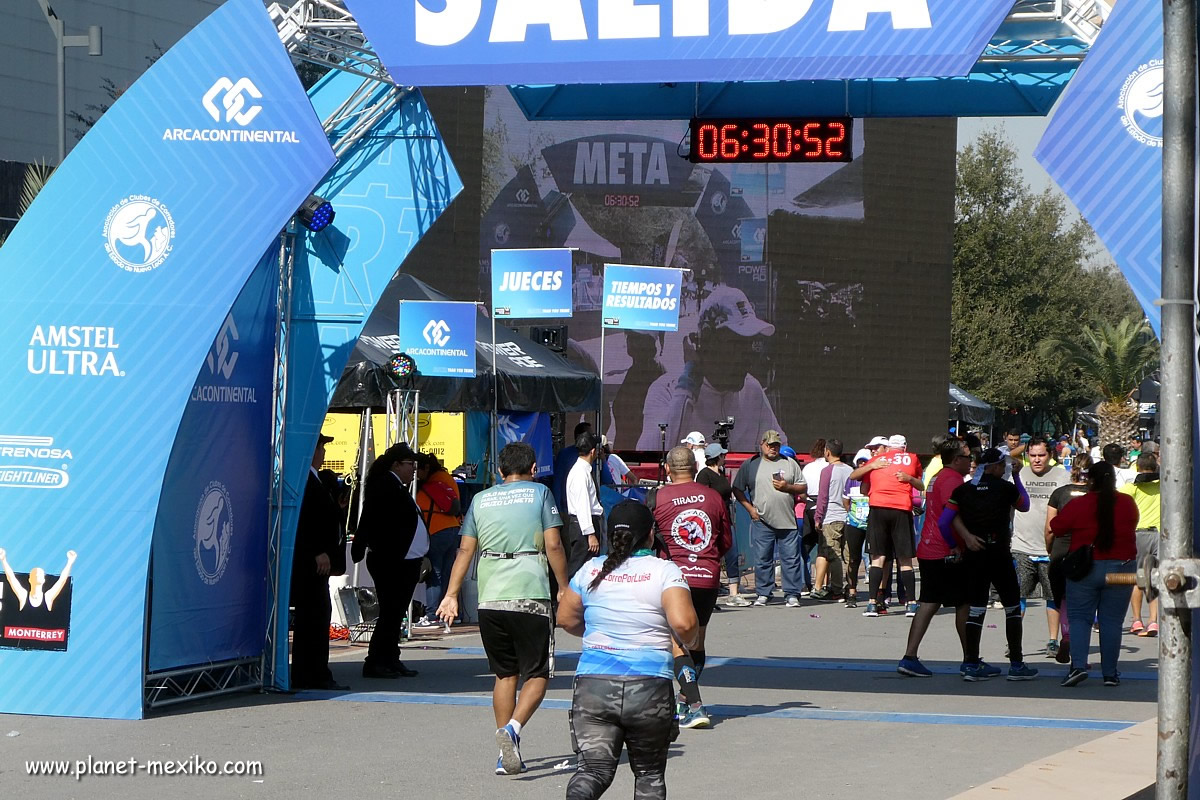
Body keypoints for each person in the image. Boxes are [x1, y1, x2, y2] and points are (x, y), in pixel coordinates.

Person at [436, 442, 568, 775]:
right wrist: (564, 587)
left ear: (499, 471)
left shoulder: (481, 500)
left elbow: (465, 550)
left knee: (504, 673)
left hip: (490, 596)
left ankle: (504, 752)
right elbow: (553, 543)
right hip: (530, 592)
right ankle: (513, 729)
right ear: (534, 469)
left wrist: (451, 594)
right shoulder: (540, 494)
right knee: (537, 673)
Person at [557, 501, 699, 800]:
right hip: (649, 688)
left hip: (593, 686)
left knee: (593, 771)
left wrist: (598, 633)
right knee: (649, 775)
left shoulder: (590, 569)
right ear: (650, 535)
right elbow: (684, 624)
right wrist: (690, 640)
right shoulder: (664, 571)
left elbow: (566, 619)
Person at [635, 286, 782, 452]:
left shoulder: (752, 390)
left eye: (749, 344)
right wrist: (686, 389)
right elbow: (649, 455)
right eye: (736, 345)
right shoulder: (666, 390)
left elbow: (782, 450)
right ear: (706, 344)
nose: (747, 357)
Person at [651, 446, 732, 729]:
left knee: (677, 645)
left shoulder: (659, 496)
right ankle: (684, 701)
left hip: (676, 578)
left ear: (668, 468)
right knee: (696, 641)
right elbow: (726, 540)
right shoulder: (713, 496)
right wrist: (708, 558)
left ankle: (696, 706)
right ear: (696, 465)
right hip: (707, 577)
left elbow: (649, 539)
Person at [943, 448, 1037, 682]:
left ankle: (971, 664)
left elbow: (944, 522)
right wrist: (1016, 477)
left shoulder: (962, 490)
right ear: (994, 467)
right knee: (1012, 607)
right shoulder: (1005, 489)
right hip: (1000, 554)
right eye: (1002, 466)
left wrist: (956, 544)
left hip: (975, 554)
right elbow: (1024, 505)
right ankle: (1016, 664)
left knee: (976, 608)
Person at [1051, 461, 1139, 687]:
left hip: (1086, 570)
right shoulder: (1127, 503)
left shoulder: (1080, 504)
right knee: (1112, 621)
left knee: (1080, 618)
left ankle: (1078, 666)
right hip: (1122, 568)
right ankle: (1110, 673)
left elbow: (1057, 526)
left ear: (1090, 480)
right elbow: (1133, 523)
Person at [352, 442, 427, 679]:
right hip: (391, 561)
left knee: (395, 614)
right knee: (390, 612)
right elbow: (372, 520)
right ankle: (376, 661)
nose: (413, 470)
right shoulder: (385, 485)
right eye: (409, 465)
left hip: (404, 560)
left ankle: (390, 657)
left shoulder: (397, 486)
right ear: (396, 464)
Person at [897, 438, 971, 677]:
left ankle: (910, 656)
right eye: (968, 457)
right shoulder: (952, 479)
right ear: (957, 459)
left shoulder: (939, 475)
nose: (971, 461)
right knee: (963, 603)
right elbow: (950, 516)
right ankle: (970, 659)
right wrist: (960, 542)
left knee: (929, 602)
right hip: (944, 549)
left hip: (930, 546)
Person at [291, 433, 349, 690]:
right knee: (311, 618)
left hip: (319, 564)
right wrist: (316, 551)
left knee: (317, 616)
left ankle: (316, 671)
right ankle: (311, 673)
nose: (323, 451)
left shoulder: (316, 480)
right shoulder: (303, 481)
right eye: (319, 446)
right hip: (309, 564)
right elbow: (302, 522)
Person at [848, 434, 923, 618]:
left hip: (878, 508)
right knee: (905, 559)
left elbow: (860, 483)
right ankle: (911, 604)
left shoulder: (877, 460)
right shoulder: (912, 458)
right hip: (901, 509)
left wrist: (872, 468)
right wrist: (908, 479)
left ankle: (872, 603)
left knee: (877, 557)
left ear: (888, 447)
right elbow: (920, 485)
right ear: (904, 447)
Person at [1010, 437, 1070, 659]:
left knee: (1052, 597)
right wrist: (1020, 451)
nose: (1036, 460)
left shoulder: (1062, 476)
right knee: (1018, 597)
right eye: (1032, 455)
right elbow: (1006, 457)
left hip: (1050, 548)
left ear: (1050, 456)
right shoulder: (1018, 474)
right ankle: (1013, 642)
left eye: (1041, 455)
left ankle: (1053, 641)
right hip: (1021, 546)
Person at [732, 430, 807, 607]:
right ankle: (764, 593)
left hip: (787, 519)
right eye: (770, 445)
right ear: (762, 444)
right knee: (763, 558)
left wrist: (787, 486)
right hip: (762, 520)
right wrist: (750, 509)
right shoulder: (751, 464)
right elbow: (737, 488)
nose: (773, 448)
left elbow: (803, 487)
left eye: (776, 445)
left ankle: (791, 593)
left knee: (790, 559)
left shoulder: (789, 463)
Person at [1044, 453, 1092, 665]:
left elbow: (1049, 529)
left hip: (1061, 553)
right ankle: (1079, 655)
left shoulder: (1059, 494)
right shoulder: (1095, 495)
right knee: (1086, 605)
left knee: (1063, 600)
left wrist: (1049, 550)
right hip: (1087, 553)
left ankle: (1066, 637)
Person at [696, 441, 750, 606]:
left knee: (732, 553)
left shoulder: (720, 473)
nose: (724, 457)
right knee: (712, 555)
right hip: (711, 521)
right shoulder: (704, 475)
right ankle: (708, 589)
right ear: (716, 457)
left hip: (726, 519)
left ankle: (734, 593)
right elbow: (702, 498)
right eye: (722, 455)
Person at [413, 452, 462, 629]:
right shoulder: (447, 478)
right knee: (448, 574)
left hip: (435, 530)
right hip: (453, 528)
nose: (415, 474)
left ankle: (432, 614)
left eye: (417, 469)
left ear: (425, 468)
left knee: (434, 574)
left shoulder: (428, 485)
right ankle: (452, 614)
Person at [1121, 452, 1161, 638]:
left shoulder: (1131, 488)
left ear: (1137, 468)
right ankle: (1154, 620)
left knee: (1137, 578)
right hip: (1160, 535)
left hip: (1138, 534)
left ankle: (1137, 620)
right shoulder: (1164, 486)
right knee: (1155, 578)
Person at [812, 439, 853, 602]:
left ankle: (836, 590)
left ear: (827, 452)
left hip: (831, 517)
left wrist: (818, 517)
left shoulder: (827, 471)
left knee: (833, 554)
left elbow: (823, 497)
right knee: (849, 555)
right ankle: (851, 587)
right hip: (848, 517)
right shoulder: (850, 470)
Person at [565, 431, 605, 579]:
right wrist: (590, 533)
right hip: (583, 524)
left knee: (587, 567)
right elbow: (583, 505)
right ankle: (569, 597)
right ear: (593, 451)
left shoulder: (582, 471)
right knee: (579, 566)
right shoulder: (580, 473)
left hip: (585, 523)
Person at [840, 449, 873, 608]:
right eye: (860, 462)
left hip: (872, 524)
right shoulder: (851, 479)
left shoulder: (875, 478)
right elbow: (845, 501)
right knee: (853, 558)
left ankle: (876, 595)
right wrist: (852, 515)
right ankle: (851, 592)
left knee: (875, 559)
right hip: (853, 524)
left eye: (865, 462)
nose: (862, 465)